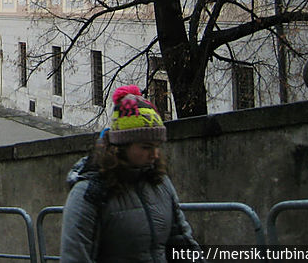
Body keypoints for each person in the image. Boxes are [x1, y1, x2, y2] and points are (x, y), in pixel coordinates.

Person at [60, 84, 202, 263]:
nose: (155, 154)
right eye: (146, 147)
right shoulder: (89, 193)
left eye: (157, 146)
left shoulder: (160, 182)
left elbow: (182, 242)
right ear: (121, 146)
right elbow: (75, 256)